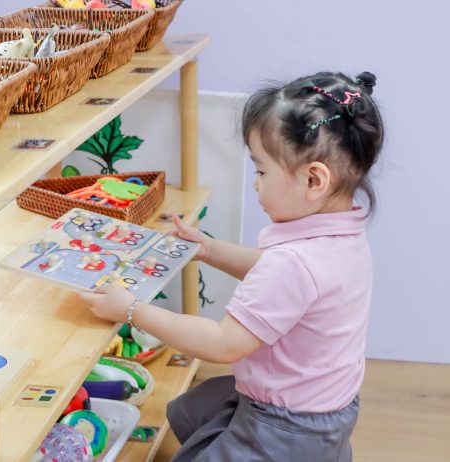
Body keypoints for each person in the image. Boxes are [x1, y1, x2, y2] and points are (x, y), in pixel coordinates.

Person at [80, 70, 384, 461]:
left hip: (285, 430)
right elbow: (274, 275)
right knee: (206, 405)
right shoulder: (342, 236)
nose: (256, 184)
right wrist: (209, 249)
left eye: (261, 171)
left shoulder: (293, 264)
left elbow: (223, 343)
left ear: (314, 181)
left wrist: (131, 310)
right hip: (325, 411)